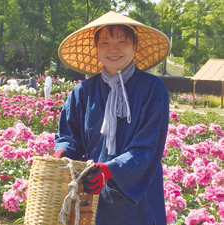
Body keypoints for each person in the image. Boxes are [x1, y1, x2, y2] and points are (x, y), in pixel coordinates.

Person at [54, 11, 171, 225]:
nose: (113, 49)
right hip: (92, 193)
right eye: (105, 42)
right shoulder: (82, 91)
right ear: (96, 48)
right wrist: (63, 154)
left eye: (122, 42)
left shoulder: (153, 89)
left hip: (139, 199)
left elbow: (148, 147)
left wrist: (111, 170)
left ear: (134, 47)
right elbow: (68, 136)